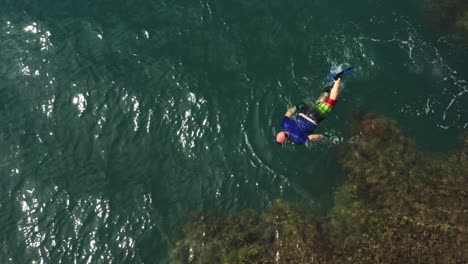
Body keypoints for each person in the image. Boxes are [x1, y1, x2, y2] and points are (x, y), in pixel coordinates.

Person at [275, 76, 342, 145]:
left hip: (314, 117)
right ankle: (326, 92)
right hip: (304, 111)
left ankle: (338, 79)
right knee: (318, 104)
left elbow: (312, 137)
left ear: (285, 140)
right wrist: (297, 107)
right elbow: (290, 111)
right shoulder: (284, 124)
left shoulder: (297, 139)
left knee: (331, 102)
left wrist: (325, 136)